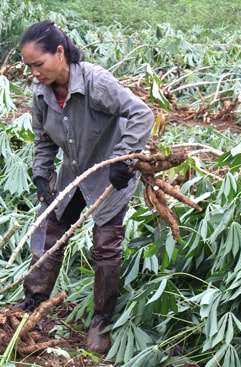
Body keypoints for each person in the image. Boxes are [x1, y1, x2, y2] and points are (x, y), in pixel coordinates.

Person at [15, 20, 154, 353]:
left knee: (106, 248)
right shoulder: (41, 94)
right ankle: (33, 303)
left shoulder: (95, 82)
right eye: (29, 66)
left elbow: (141, 114)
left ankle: (101, 321)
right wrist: (40, 175)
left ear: (59, 53)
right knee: (52, 233)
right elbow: (44, 139)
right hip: (72, 174)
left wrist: (124, 160)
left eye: (39, 64)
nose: (35, 72)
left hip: (110, 177)